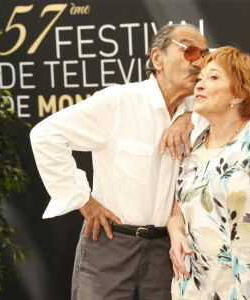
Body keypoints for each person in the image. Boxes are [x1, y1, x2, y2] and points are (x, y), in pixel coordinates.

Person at [30, 23, 208, 300]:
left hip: (168, 251)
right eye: (190, 51)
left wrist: (190, 115)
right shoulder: (119, 102)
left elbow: (238, 85)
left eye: (205, 56)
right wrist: (82, 200)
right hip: (111, 245)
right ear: (157, 58)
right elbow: (46, 135)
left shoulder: (201, 112)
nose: (199, 61)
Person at [168, 46, 250, 300]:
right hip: (194, 290)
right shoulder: (194, 146)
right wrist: (177, 235)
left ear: (238, 94)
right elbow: (175, 213)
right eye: (200, 78)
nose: (199, 85)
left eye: (212, 77)